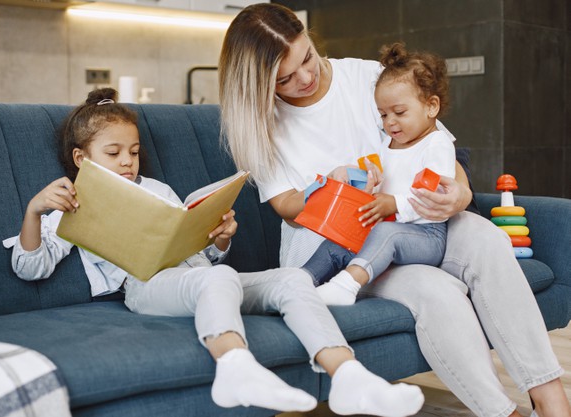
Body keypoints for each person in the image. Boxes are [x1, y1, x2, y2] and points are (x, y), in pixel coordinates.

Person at [218, 4, 571, 417]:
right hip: (336, 245)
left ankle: (551, 400)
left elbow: (438, 147)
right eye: (285, 79)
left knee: (485, 236)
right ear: (260, 84)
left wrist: (459, 191)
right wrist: (332, 184)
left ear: (310, 38)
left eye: (307, 57)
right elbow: (288, 208)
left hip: (409, 222)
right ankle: (502, 413)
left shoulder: (368, 78)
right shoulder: (262, 122)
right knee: (436, 290)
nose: (307, 77)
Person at [4, 88, 426, 417]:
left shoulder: (159, 191)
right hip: (145, 286)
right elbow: (29, 267)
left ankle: (348, 376)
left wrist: (218, 239)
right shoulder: (73, 202)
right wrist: (33, 211)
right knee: (216, 279)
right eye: (112, 154)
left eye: (133, 153)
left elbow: (202, 261)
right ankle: (234, 367)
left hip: (197, 279)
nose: (127, 162)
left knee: (293, 279)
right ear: (81, 158)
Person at [303, 42, 456, 306]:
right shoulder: (388, 143)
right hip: (392, 226)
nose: (389, 122)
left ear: (431, 107)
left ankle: (346, 285)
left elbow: (433, 194)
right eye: (383, 114)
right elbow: (388, 185)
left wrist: (392, 203)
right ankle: (298, 282)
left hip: (426, 235)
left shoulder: (436, 144)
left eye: (399, 112)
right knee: (339, 239)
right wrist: (371, 185)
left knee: (387, 234)